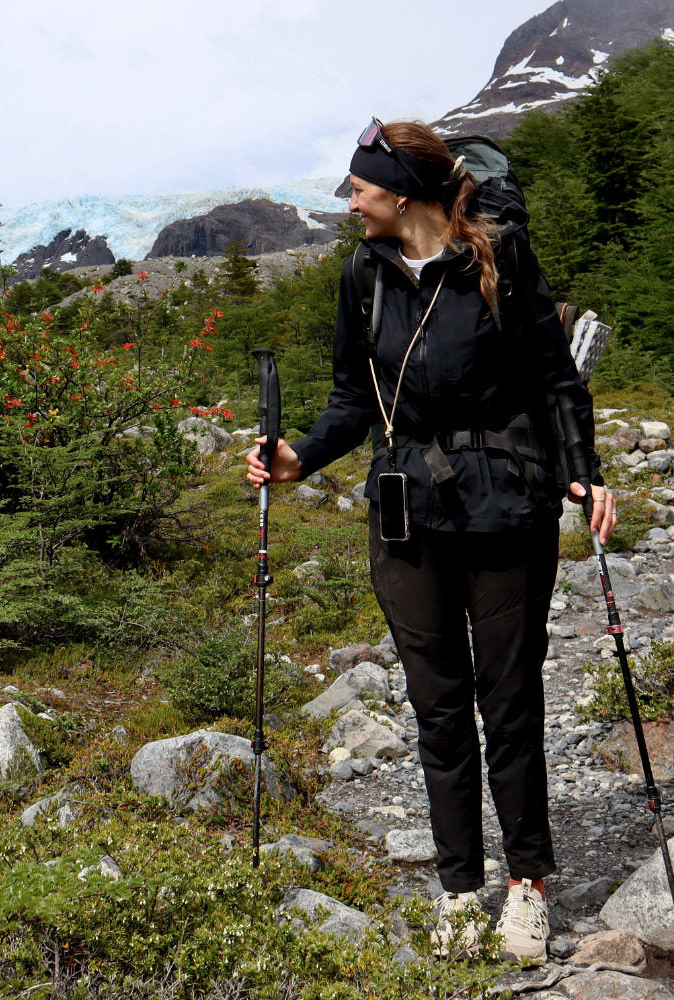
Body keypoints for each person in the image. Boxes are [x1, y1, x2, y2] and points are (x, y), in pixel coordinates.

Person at [246, 118, 616, 964]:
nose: (350, 201)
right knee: (438, 709)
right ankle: (458, 886)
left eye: (361, 188)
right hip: (407, 517)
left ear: (403, 193)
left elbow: (556, 378)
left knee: (509, 701)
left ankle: (528, 885)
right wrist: (300, 454)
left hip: (508, 511)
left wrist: (586, 471)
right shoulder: (362, 277)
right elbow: (352, 395)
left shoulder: (500, 261)